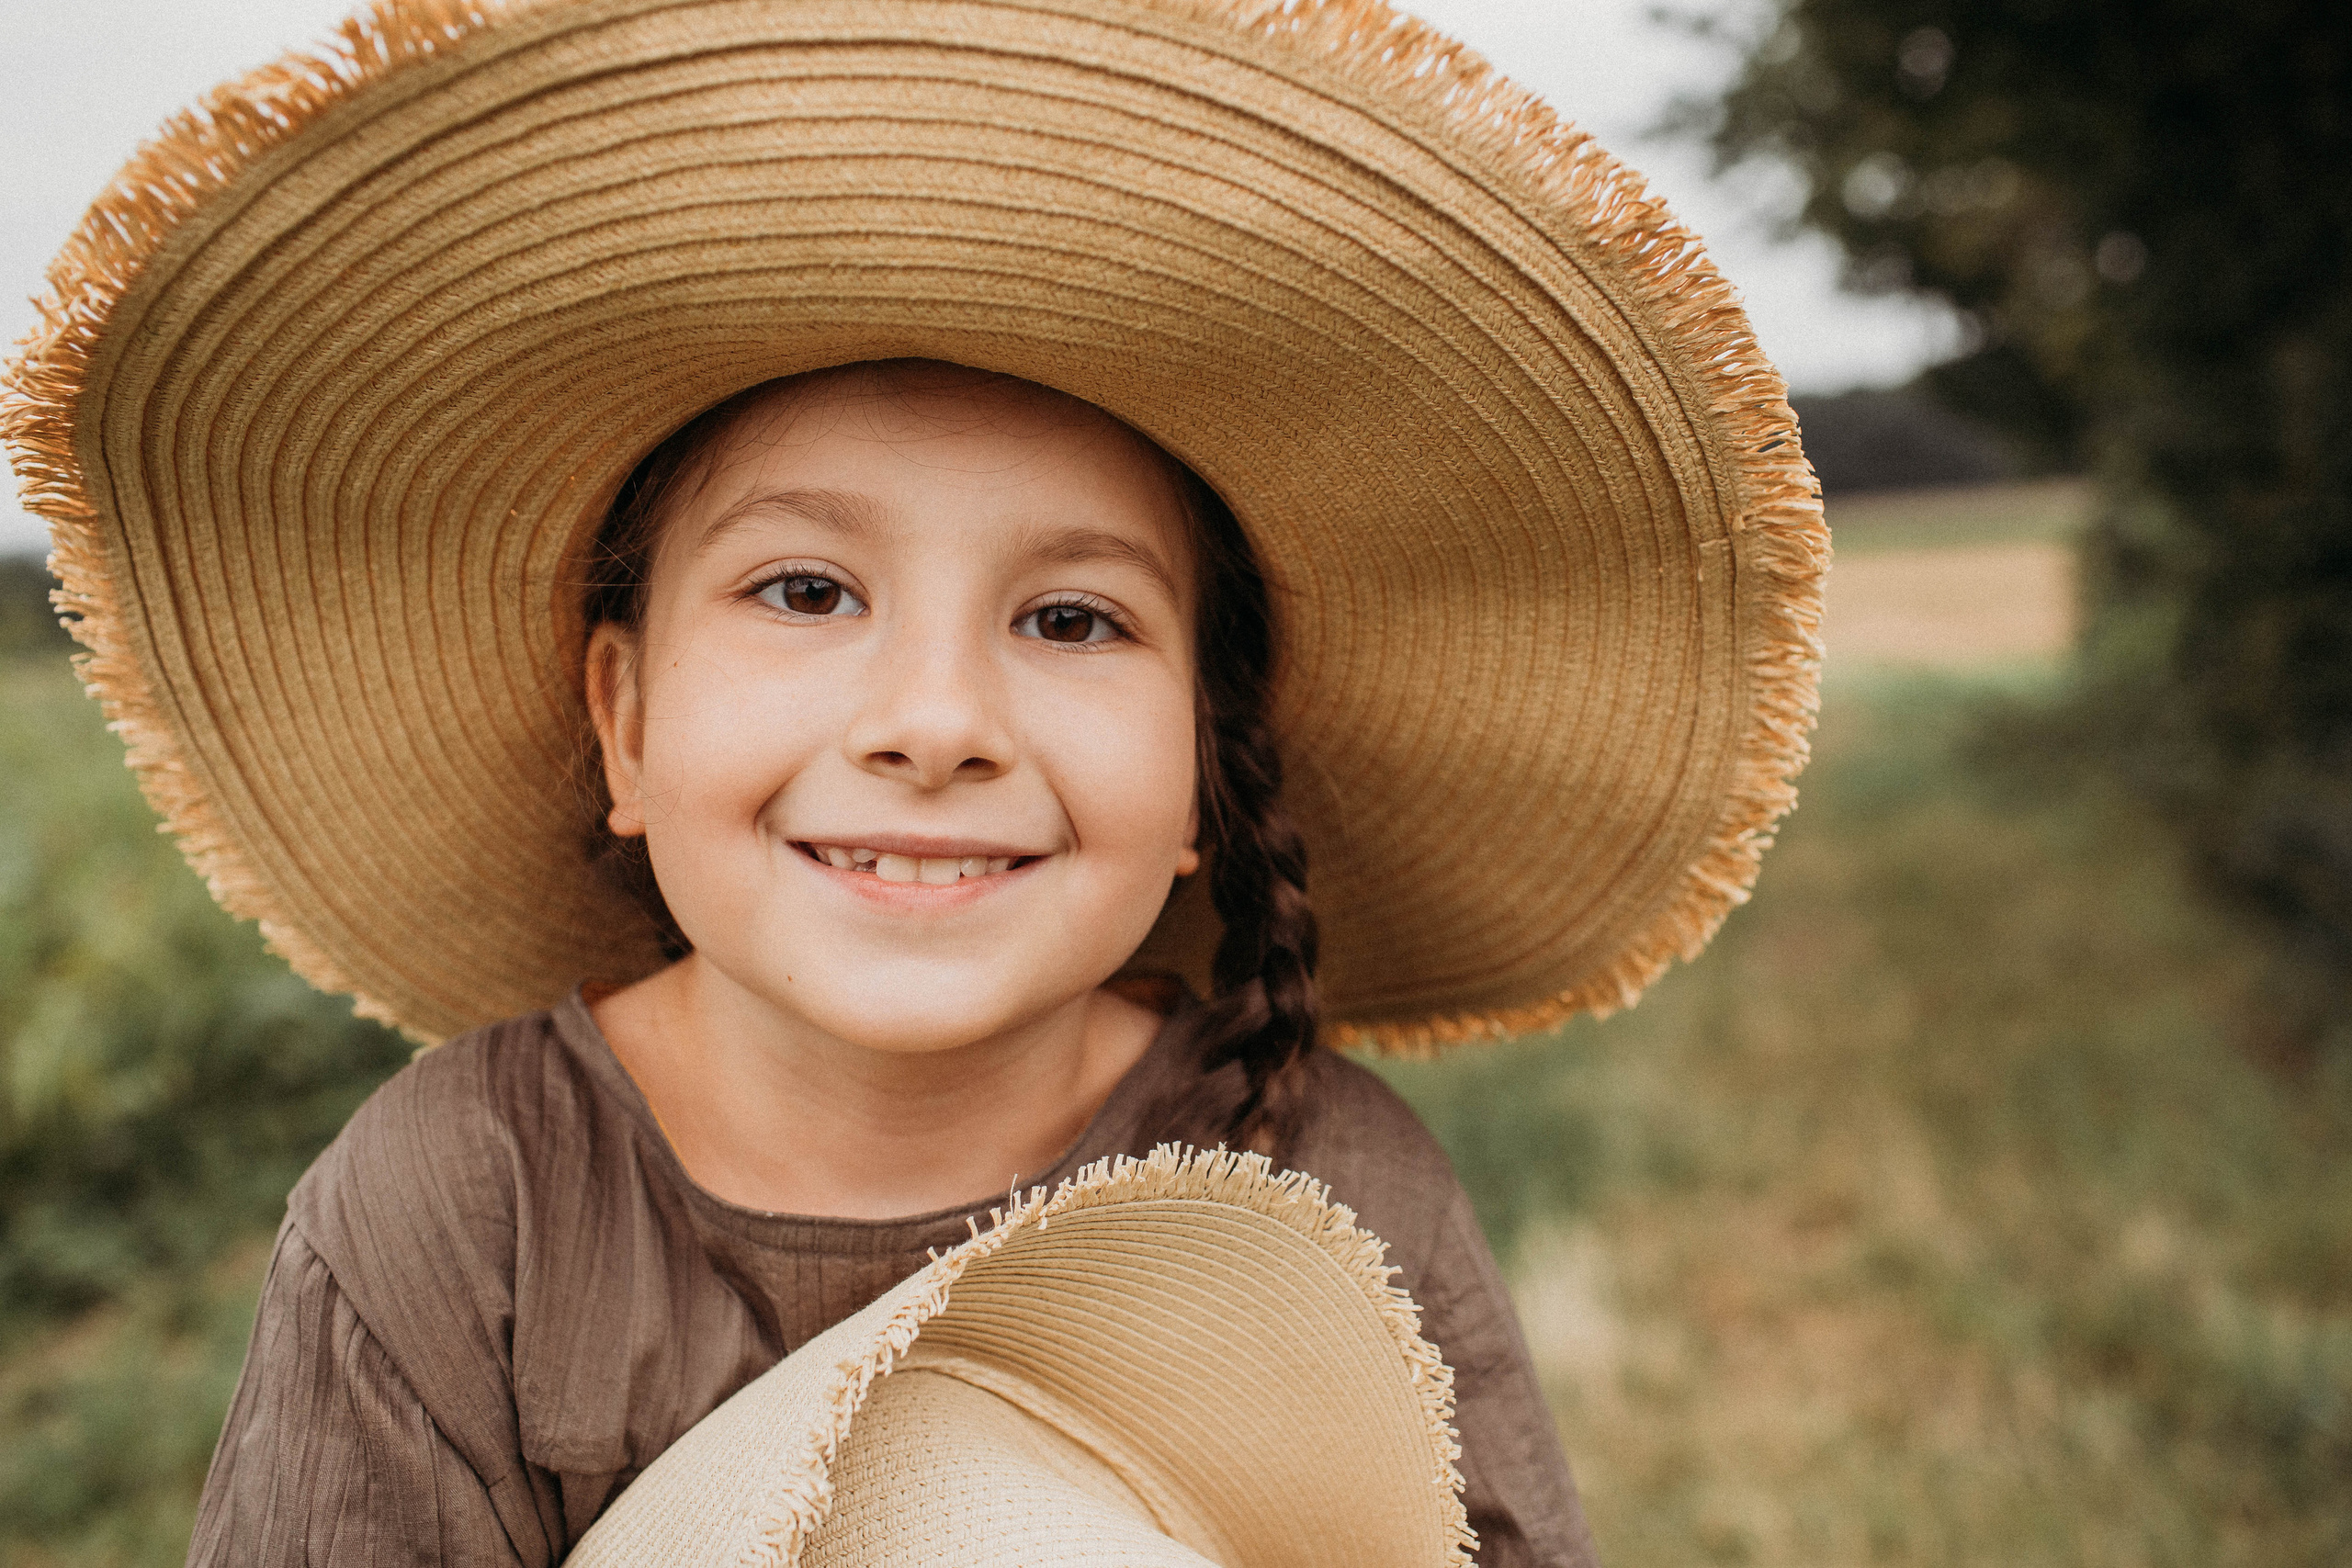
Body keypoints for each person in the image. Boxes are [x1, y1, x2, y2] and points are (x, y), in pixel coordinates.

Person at [1, 0, 1827, 1562]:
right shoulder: (455, 1206)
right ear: (622, 721)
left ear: (1205, 754)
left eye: (1070, 615)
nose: (934, 716)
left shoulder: (1322, 1172)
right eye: (805, 590)